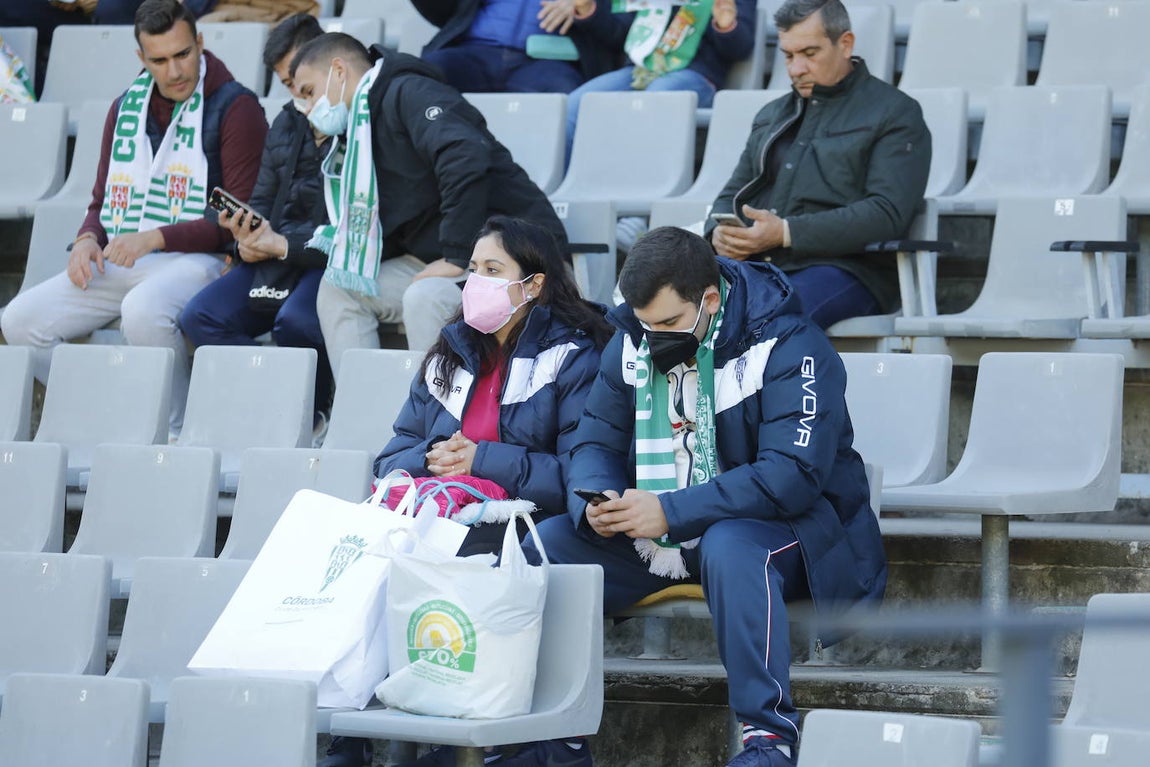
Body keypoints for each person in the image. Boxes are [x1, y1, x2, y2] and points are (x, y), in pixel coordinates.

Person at [530, 227, 888, 767]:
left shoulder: (791, 344)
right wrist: (596, 501)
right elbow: (593, 440)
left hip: (798, 533)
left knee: (731, 546)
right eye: (645, 323)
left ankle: (768, 737)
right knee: (548, 545)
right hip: (662, 534)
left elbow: (791, 476)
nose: (653, 337)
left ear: (710, 300)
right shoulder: (630, 339)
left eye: (669, 323)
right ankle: (551, 737)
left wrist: (671, 510)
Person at [352, 215, 612, 767]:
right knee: (364, 553)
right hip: (441, 512)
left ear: (533, 283)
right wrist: (432, 457)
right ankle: (348, 739)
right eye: (473, 269)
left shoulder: (575, 356)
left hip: (520, 519)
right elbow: (391, 457)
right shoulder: (451, 353)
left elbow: (579, 473)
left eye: (494, 270)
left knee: (448, 557)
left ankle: (484, 740)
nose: (476, 281)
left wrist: (482, 459)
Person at [1, 0, 267, 435]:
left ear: (200, 43)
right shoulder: (125, 107)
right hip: (128, 255)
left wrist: (154, 238)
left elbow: (238, 217)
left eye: (183, 54)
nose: (174, 71)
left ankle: (177, 430)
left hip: (203, 259)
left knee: (143, 309)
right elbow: (101, 201)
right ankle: (107, 413)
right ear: (141, 58)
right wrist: (87, 238)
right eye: (159, 60)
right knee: (20, 320)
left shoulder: (237, 107)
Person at [288, 32, 570, 373]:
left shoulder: (409, 90)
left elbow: (463, 155)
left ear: (338, 70)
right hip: (435, 257)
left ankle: (436, 406)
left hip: (513, 261)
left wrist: (456, 254)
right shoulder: (356, 130)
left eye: (309, 92)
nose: (308, 109)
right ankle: (364, 401)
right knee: (340, 287)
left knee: (424, 297)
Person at [706, 0, 930, 329]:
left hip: (849, 269)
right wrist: (720, 234)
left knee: (765, 316)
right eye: (788, 56)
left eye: (809, 54)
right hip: (762, 266)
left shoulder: (895, 113)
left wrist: (785, 233)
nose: (796, 69)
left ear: (846, 44)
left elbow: (886, 214)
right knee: (664, 302)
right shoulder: (771, 115)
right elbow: (732, 195)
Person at [179, 13, 334, 438]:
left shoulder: (357, 118)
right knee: (200, 315)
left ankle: (313, 411)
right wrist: (243, 241)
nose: (296, 92)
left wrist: (281, 243)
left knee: (295, 320)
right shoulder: (286, 121)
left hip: (323, 255)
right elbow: (262, 199)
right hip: (273, 251)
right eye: (286, 83)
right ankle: (279, 401)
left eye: (300, 80)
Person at [413, 0, 622, 95]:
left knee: (566, 96)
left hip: (546, 63)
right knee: (423, 77)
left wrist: (585, 7)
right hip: (476, 52)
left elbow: (620, 32)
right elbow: (441, 12)